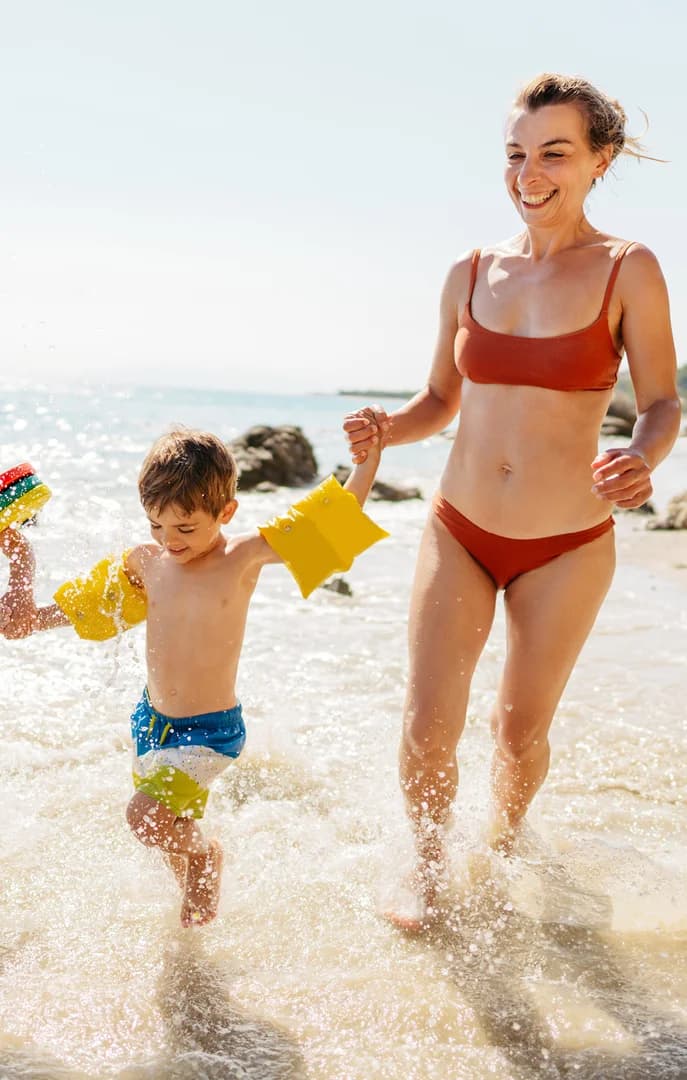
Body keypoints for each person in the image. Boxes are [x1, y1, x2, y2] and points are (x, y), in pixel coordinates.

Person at [343, 73, 681, 930]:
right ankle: (423, 871)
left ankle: (498, 846)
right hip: (457, 527)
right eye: (517, 154)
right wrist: (387, 428)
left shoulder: (627, 270)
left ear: (599, 160)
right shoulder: (467, 272)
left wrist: (642, 457)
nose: (530, 172)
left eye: (554, 153)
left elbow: (661, 402)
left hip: (566, 543)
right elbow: (438, 401)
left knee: (516, 732)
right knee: (427, 726)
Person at [0, 425, 385, 927]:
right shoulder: (147, 561)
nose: (169, 540)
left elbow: (331, 520)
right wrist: (24, 588)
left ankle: (206, 856)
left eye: (185, 528)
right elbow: (89, 608)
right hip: (152, 722)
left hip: (210, 732)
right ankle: (197, 923)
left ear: (226, 513)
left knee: (147, 820)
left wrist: (367, 461)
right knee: (167, 832)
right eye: (157, 525)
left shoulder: (243, 557)